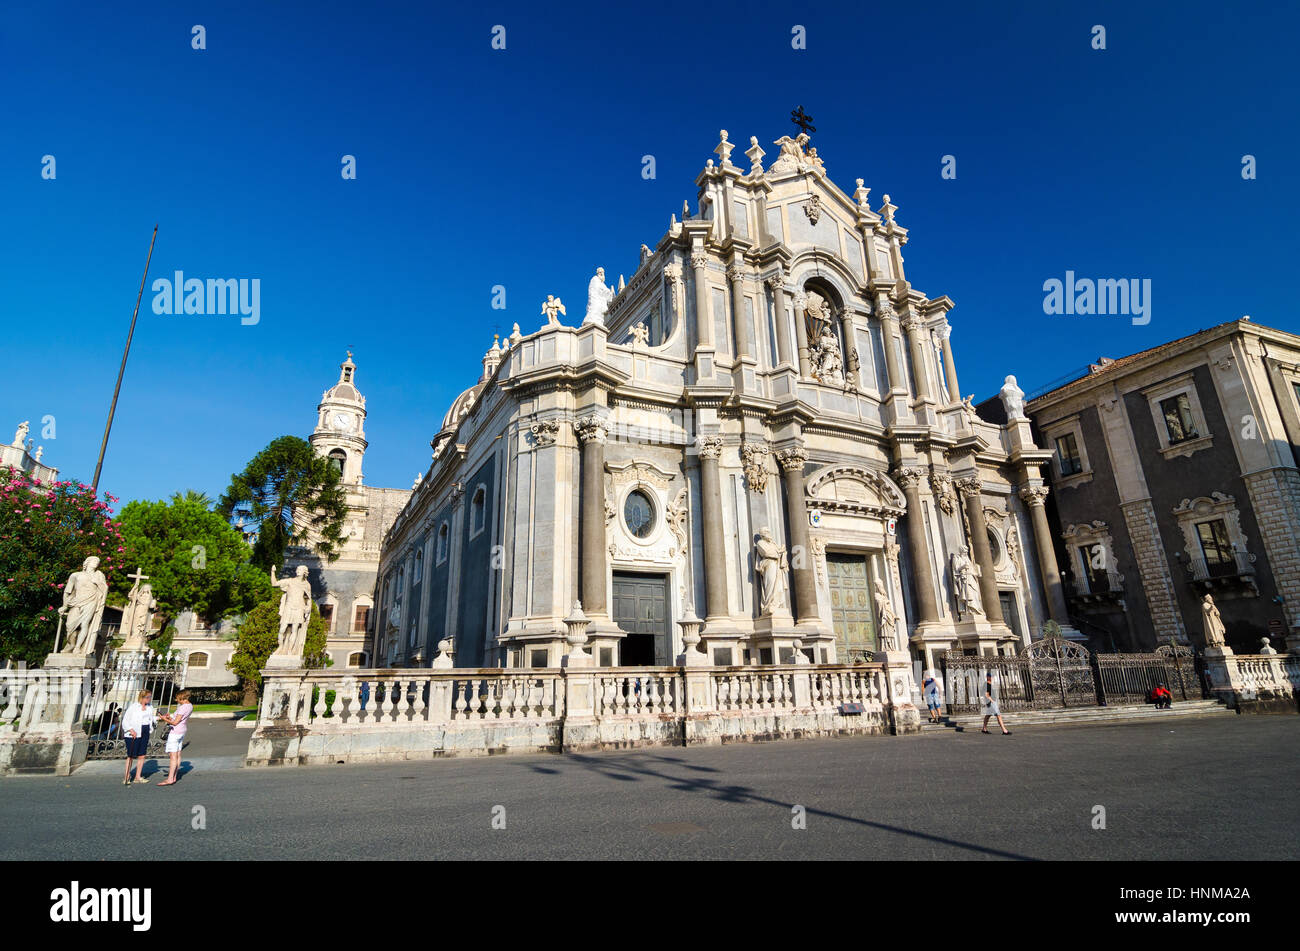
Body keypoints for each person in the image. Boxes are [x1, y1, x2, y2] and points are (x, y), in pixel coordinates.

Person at [156, 690, 193, 786]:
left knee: (173, 756)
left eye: (177, 698)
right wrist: (169, 717)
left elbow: (175, 722)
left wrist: (164, 718)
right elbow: (179, 719)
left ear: (181, 697)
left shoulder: (182, 707)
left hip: (175, 732)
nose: (176, 700)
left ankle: (170, 779)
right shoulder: (190, 706)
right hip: (182, 730)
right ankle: (174, 776)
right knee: (178, 755)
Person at [120, 690, 157, 785]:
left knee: (142, 754)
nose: (149, 699)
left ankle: (138, 777)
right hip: (134, 732)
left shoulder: (150, 707)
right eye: (147, 697)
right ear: (142, 697)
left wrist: (160, 719)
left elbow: (152, 719)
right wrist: (130, 730)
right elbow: (125, 720)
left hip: (145, 731)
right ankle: (127, 776)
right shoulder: (134, 707)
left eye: (150, 697)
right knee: (131, 755)